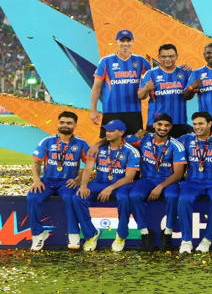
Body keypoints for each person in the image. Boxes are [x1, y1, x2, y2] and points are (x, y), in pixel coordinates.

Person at [27, 111, 90, 251]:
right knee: (32, 197)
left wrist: (78, 179)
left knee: (69, 198)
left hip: (67, 182)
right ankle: (38, 234)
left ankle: (74, 234)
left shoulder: (81, 143)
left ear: (75, 125)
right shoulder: (47, 141)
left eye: (69, 123)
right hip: (47, 181)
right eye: (62, 122)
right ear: (58, 123)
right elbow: (36, 162)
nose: (65, 125)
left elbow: (89, 165)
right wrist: (36, 180)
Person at [73, 120, 140, 252]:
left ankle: (121, 235)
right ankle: (91, 234)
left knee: (124, 199)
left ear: (121, 132)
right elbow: (88, 168)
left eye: (111, 131)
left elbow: (129, 178)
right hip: (99, 182)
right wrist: (84, 185)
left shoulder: (131, 151)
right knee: (77, 197)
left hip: (121, 185)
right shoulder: (98, 148)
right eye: (107, 131)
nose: (107, 133)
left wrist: (110, 188)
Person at [125, 113, 186, 251]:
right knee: (134, 196)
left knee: (172, 196)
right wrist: (136, 135)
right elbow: (120, 141)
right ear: (153, 125)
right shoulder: (143, 138)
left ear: (171, 127)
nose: (163, 128)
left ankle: (167, 232)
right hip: (147, 179)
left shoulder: (176, 146)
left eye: (166, 125)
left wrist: (160, 186)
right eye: (159, 124)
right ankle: (145, 233)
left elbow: (178, 174)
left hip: (168, 180)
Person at [176, 111, 212, 253]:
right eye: (195, 124)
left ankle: (207, 240)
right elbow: (166, 142)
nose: (197, 127)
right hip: (192, 182)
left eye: (201, 123)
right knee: (183, 200)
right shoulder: (185, 139)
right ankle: (186, 241)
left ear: (209, 124)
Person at [90, 29, 151, 136]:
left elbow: (155, 75)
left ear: (133, 42)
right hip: (111, 111)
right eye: (122, 41)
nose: (125, 44)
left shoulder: (141, 61)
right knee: (108, 142)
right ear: (116, 42)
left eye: (128, 41)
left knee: (135, 142)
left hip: (134, 111)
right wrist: (93, 110)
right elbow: (96, 87)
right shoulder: (106, 61)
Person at [138, 43, 191, 138]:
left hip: (179, 122)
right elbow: (140, 96)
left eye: (171, 56)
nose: (167, 59)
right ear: (159, 57)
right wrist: (146, 88)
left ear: (176, 56)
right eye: (164, 56)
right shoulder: (150, 74)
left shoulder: (185, 73)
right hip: (156, 122)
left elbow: (190, 95)